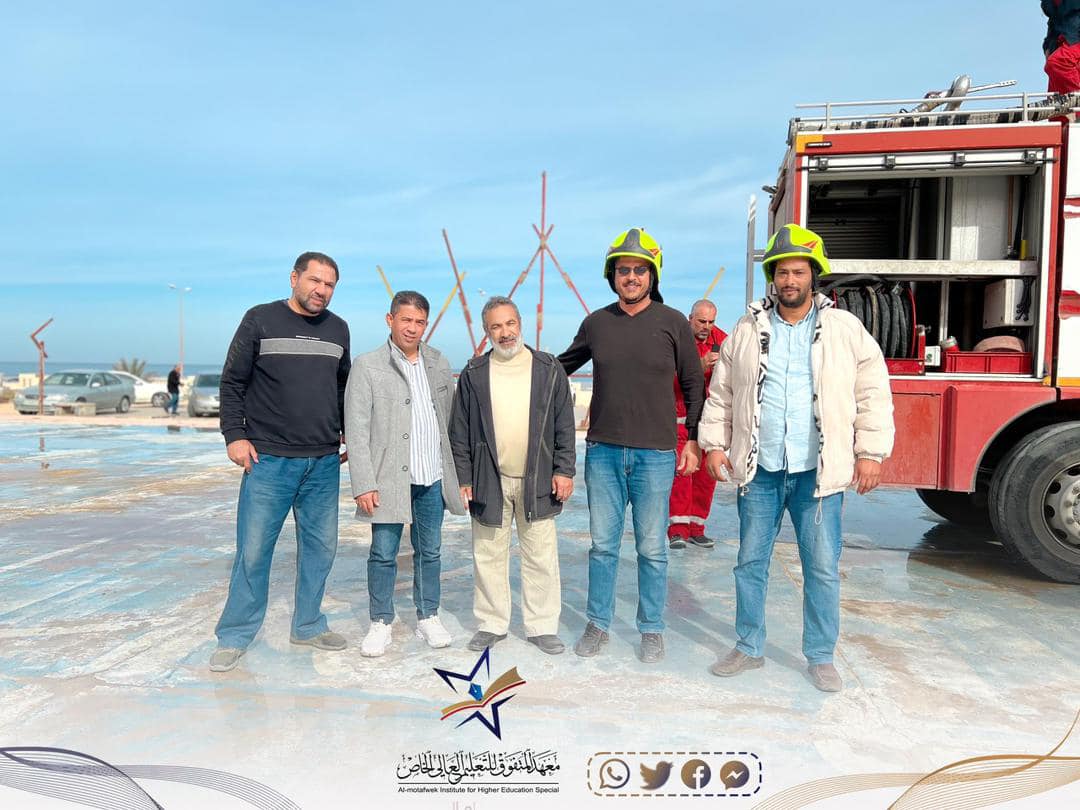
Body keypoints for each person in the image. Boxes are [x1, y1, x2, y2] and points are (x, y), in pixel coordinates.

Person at [699, 224, 894, 693]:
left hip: (816, 474)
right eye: (782, 272)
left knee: (822, 568)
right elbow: (722, 394)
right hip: (760, 471)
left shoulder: (843, 329)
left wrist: (870, 452)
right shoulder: (747, 331)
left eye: (798, 272)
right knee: (750, 564)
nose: (789, 280)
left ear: (813, 276)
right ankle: (748, 646)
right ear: (773, 277)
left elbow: (872, 391)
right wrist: (714, 443)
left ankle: (821, 656)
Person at [558, 227, 704, 664]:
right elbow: (560, 366)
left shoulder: (673, 322)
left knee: (652, 549)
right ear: (613, 276)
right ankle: (598, 623)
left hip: (655, 454)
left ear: (652, 276)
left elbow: (694, 384)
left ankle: (651, 628)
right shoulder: (597, 323)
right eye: (623, 270)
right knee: (603, 547)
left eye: (640, 270)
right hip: (603, 452)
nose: (632, 277)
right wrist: (510, 363)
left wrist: (694, 440)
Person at [209, 251, 351, 673]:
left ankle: (307, 625)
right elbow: (232, 381)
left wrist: (348, 432)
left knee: (321, 550)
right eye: (315, 280)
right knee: (253, 552)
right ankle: (235, 636)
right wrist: (234, 436)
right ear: (294, 278)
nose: (321, 290)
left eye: (329, 285)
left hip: (323, 462)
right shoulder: (260, 319)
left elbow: (342, 388)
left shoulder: (338, 329)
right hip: (268, 461)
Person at [450, 296, 576, 656]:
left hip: (538, 478)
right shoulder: (474, 373)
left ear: (520, 323)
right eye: (496, 326)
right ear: (486, 331)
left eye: (510, 324)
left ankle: (542, 627)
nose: (505, 332)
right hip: (489, 478)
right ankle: (491, 623)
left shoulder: (548, 368)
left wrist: (564, 469)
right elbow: (459, 431)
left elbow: (564, 424)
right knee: (488, 554)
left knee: (540, 555)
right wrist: (464, 478)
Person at [345, 290, 465, 657]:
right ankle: (380, 621)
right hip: (387, 478)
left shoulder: (439, 362)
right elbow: (356, 429)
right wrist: (363, 482)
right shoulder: (368, 365)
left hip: (432, 475)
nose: (412, 328)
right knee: (383, 552)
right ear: (390, 320)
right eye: (406, 320)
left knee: (430, 551)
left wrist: (459, 476)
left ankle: (428, 615)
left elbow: (452, 422)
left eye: (419, 322)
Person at [667, 300, 728, 550]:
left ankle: (696, 528)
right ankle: (677, 530)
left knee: (706, 478)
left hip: (709, 422)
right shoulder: (676, 340)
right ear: (690, 318)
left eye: (711, 322)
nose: (706, 326)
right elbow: (663, 378)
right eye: (702, 321)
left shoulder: (723, 341)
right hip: (681, 421)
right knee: (682, 476)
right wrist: (698, 367)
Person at [1043, 0, 1080, 93]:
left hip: (1075, 39)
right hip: (1061, 41)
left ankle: (1076, 97)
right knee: (1056, 81)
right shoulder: (1048, 3)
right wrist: (1047, 46)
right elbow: (1053, 22)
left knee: (1057, 63)